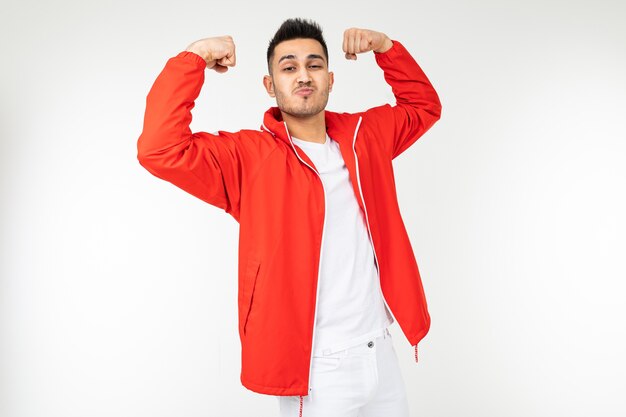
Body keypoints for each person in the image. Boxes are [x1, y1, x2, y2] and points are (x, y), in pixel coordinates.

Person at [137, 17, 441, 417]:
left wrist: (386, 48)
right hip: (317, 370)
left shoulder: (366, 136)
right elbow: (159, 149)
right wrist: (194, 58)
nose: (303, 76)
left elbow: (423, 106)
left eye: (314, 65)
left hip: (380, 351)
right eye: (289, 67)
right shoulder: (249, 158)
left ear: (330, 79)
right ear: (270, 85)